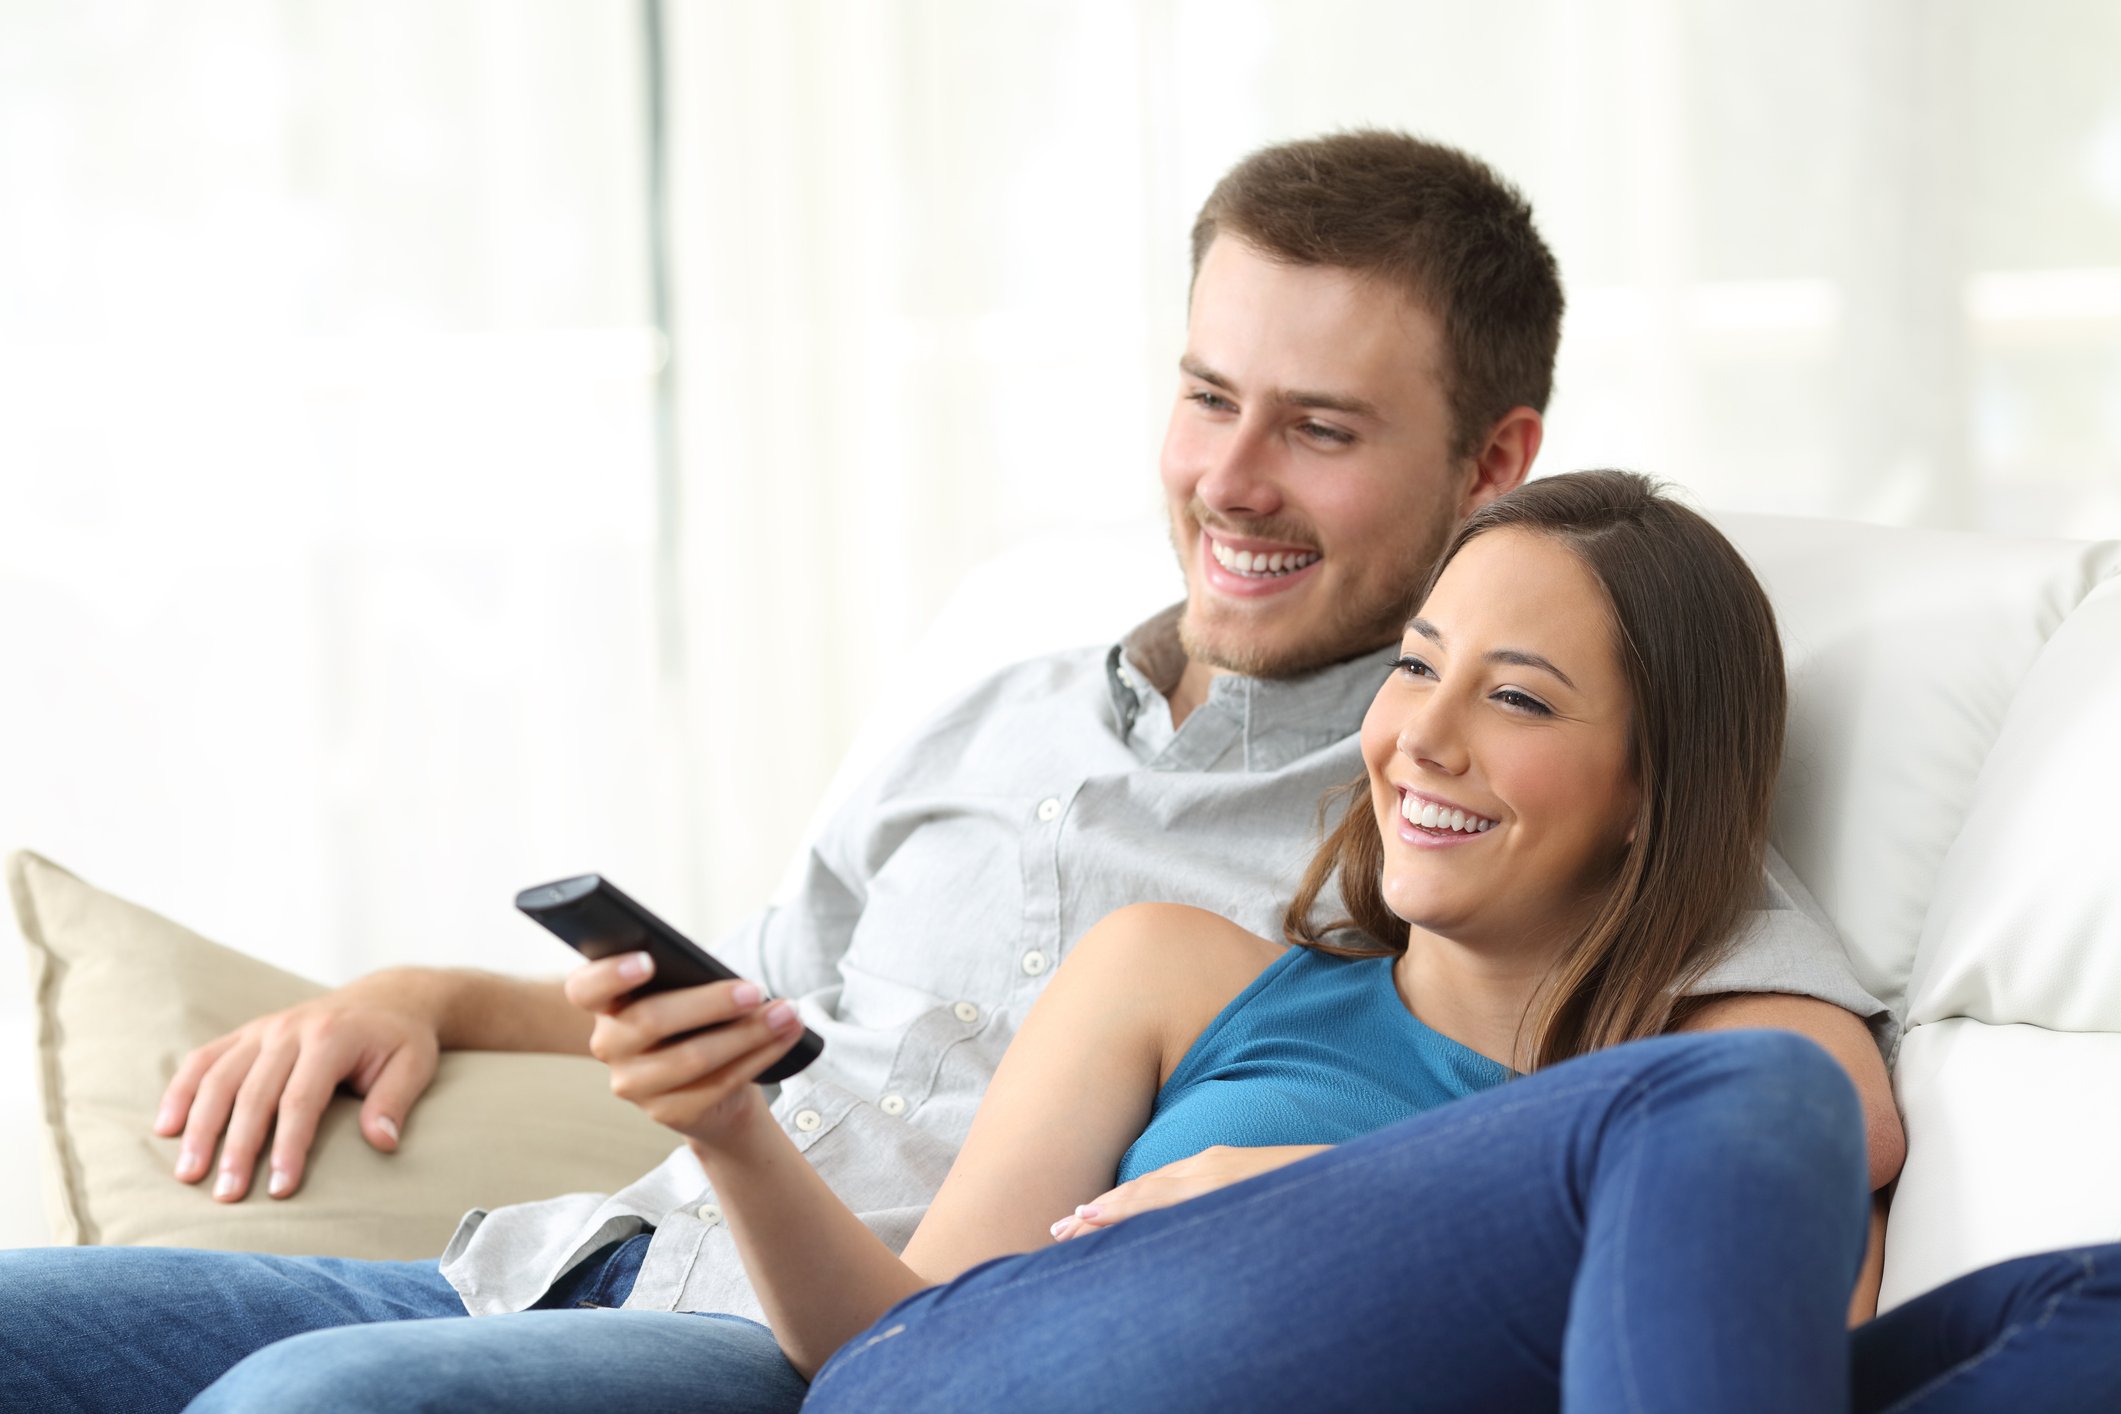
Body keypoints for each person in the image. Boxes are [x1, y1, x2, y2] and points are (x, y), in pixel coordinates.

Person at [0, 134, 1894, 1411]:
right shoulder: (998, 697)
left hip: (801, 1344)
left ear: (1493, 459)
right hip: (543, 1259)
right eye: (1207, 396)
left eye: (1317, 429)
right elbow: (768, 1001)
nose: (1231, 480)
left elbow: (1760, 1100)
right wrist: (422, 996)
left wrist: (1302, 1184)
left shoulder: (1476, 797)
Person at [581, 470, 2121, 1412]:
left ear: (1652, 788)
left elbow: (1770, 1362)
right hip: (1000, 1380)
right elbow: (887, 1362)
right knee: (1760, 1110)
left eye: (1515, 698)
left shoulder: (1710, 1094)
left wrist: (1302, 1189)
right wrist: (729, 1127)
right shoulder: (1176, 971)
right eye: (1415, 668)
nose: (1416, 740)